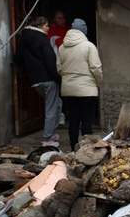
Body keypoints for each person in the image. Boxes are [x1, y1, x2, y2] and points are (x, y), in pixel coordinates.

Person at [57, 18, 103, 151]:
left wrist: (69, 79)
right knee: (86, 121)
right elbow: (96, 68)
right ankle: (86, 150)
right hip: (87, 91)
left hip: (68, 91)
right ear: (83, 30)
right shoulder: (89, 46)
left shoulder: (61, 47)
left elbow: (59, 68)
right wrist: (98, 83)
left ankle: (73, 148)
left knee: (73, 121)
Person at [16, 16, 61, 147]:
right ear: (40, 26)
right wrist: (57, 78)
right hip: (48, 78)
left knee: (56, 104)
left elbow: (18, 58)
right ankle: (47, 138)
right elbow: (49, 60)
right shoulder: (42, 39)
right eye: (47, 25)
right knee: (52, 107)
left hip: (34, 80)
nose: (48, 28)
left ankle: (51, 133)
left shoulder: (24, 39)